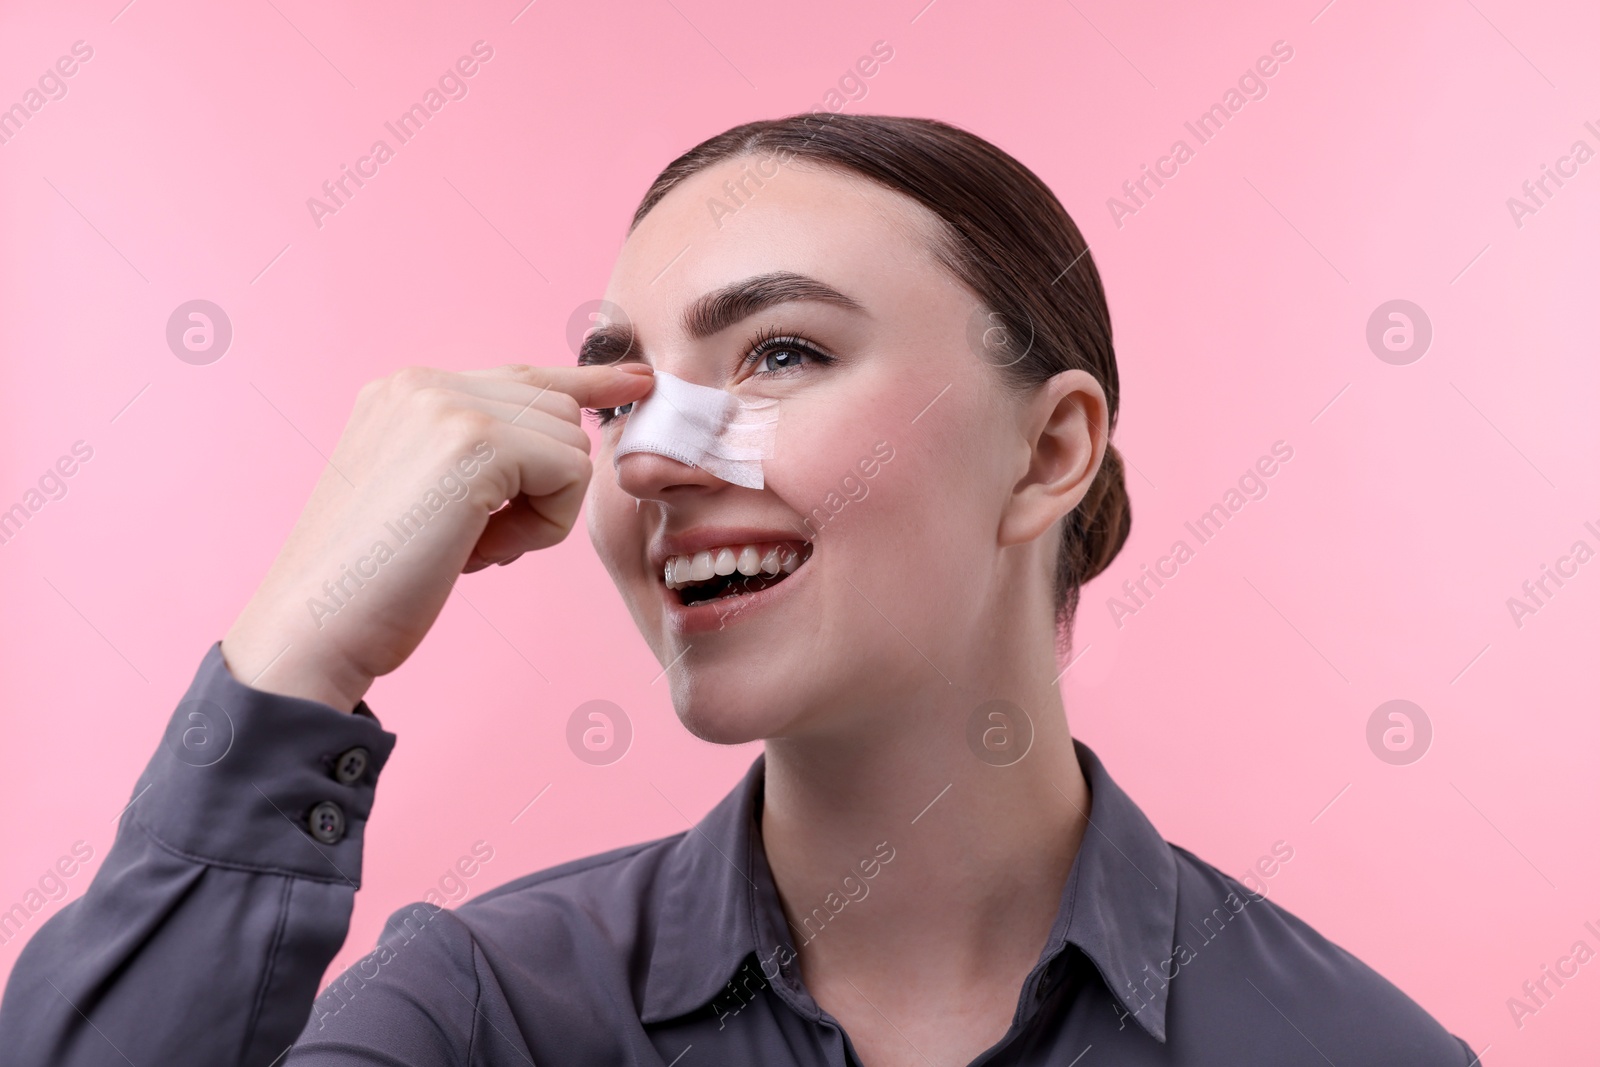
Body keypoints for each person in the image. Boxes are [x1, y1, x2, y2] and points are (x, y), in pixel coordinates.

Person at [0, 113, 1477, 1066]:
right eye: (628, 390)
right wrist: (299, 646)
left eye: (779, 354)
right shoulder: (484, 1019)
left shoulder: (1346, 1047)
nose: (651, 460)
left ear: (1048, 452)